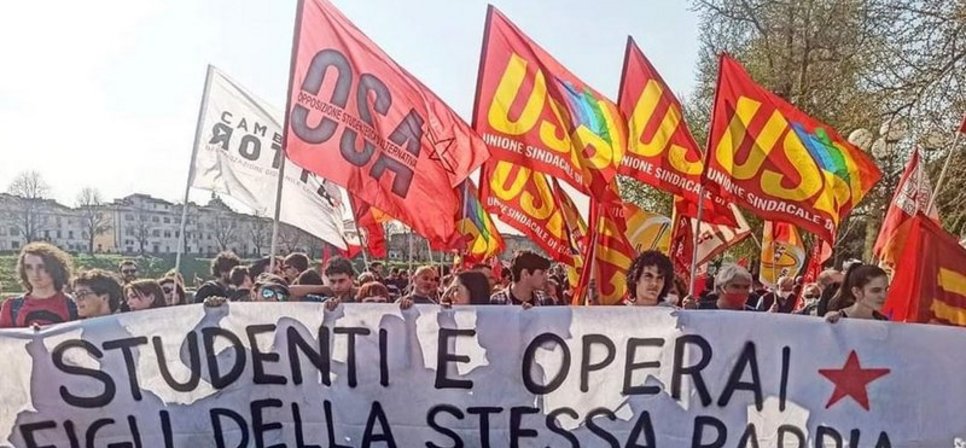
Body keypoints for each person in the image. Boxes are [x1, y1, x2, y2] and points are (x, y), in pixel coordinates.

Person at [0, 242, 78, 328]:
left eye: (41, 267)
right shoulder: (11, 307)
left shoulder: (74, 306)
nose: (35, 274)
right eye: (29, 267)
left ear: (55, 269)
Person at [825, 264, 890, 323]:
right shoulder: (836, 320)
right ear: (856, 292)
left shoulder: (884, 322)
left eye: (886, 289)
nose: (884, 295)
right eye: (875, 290)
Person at [689, 263, 757, 311]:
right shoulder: (700, 310)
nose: (741, 291)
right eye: (735, 286)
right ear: (720, 288)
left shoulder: (755, 316)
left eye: (746, 287)